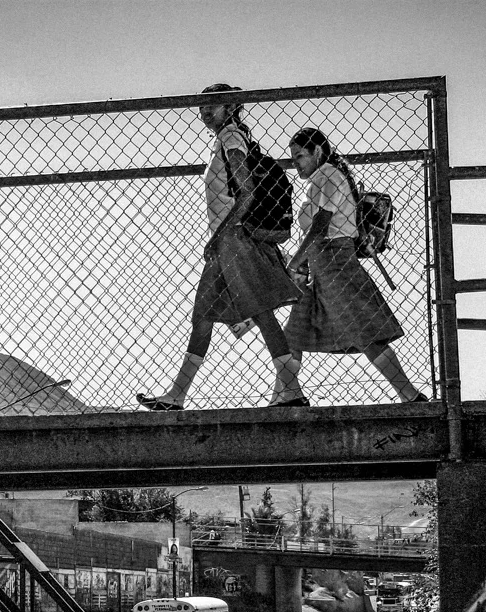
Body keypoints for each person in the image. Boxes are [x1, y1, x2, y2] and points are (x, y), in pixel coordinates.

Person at [137, 84, 305, 412]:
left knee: (257, 313)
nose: (204, 111)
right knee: (206, 315)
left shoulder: (231, 138)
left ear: (230, 108)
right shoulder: (226, 140)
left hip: (234, 241)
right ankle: (177, 396)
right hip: (227, 242)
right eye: (201, 106)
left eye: (211, 105)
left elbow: (247, 192)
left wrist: (218, 237)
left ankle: (291, 391)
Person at [282, 127, 426, 403]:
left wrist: (295, 262)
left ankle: (409, 395)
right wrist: (304, 262)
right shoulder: (324, 177)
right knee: (294, 334)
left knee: (365, 332)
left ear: (318, 152)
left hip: (335, 264)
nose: (295, 163)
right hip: (320, 266)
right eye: (293, 157)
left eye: (300, 156)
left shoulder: (328, 175)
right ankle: (288, 395)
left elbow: (319, 227)